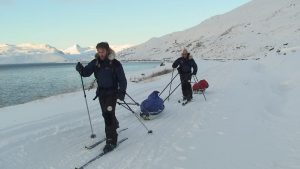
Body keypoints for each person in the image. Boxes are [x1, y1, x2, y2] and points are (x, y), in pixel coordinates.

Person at [76, 42, 127, 153]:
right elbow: (86, 73)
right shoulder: (96, 62)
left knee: (108, 116)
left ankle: (111, 140)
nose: (101, 54)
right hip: (101, 93)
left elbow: (122, 80)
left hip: (112, 93)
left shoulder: (115, 63)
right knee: (106, 114)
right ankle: (115, 124)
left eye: (102, 51)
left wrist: (121, 93)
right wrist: (80, 69)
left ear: (107, 50)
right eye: (99, 52)